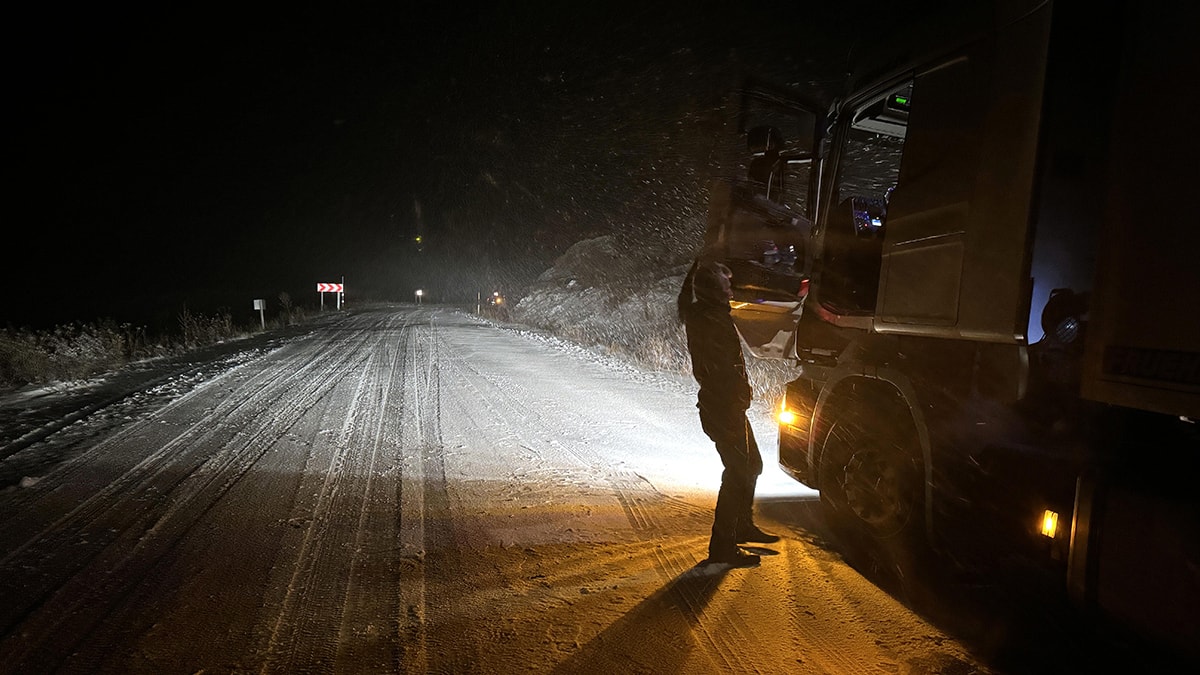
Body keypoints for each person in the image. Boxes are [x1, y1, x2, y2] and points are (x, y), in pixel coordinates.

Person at [677, 257, 780, 567]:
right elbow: (723, 369)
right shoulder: (710, 319)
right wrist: (737, 396)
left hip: (727, 405)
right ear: (711, 290)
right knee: (737, 472)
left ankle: (742, 526)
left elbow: (684, 301)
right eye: (726, 285)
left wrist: (695, 267)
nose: (730, 289)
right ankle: (722, 546)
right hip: (723, 407)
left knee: (752, 465)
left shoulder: (705, 313)